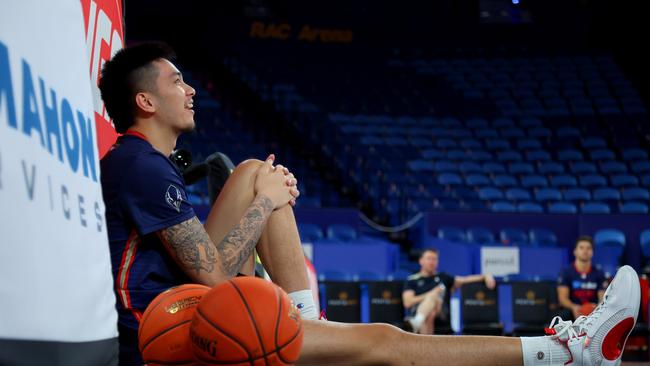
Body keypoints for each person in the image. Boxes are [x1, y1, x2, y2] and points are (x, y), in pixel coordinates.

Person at [99, 42, 640, 366]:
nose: (190, 89)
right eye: (176, 81)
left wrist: (260, 195)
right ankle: (567, 353)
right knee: (387, 342)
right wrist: (264, 206)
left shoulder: (146, 163)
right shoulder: (142, 165)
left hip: (185, 307)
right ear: (145, 101)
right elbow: (217, 285)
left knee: (251, 173)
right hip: (166, 334)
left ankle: (309, 325)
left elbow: (217, 273)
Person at [402, 249, 496, 334]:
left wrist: (486, 275)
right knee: (431, 312)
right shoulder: (412, 280)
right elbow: (408, 302)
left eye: (435, 259)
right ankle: (425, 342)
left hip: (442, 312)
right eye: (429, 258)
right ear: (421, 261)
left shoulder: (443, 277)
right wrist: (431, 293)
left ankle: (417, 321)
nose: (432, 262)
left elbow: (465, 279)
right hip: (421, 310)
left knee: (434, 298)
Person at [557, 236, 607, 320]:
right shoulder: (566, 272)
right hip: (573, 310)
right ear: (575, 252)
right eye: (581, 248)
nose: (585, 251)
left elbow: (602, 298)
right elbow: (563, 299)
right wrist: (574, 307)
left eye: (588, 248)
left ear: (592, 252)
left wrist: (595, 309)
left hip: (593, 311)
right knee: (563, 315)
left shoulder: (599, 273)